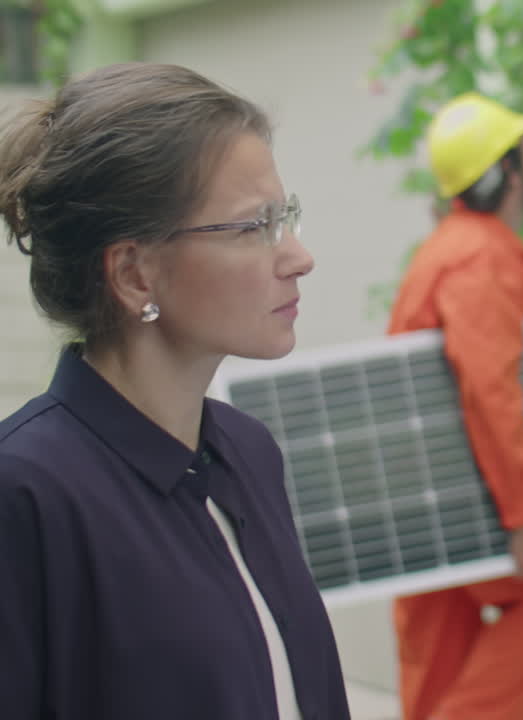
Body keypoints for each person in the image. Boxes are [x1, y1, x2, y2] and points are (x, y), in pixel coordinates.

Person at [0, 63, 350, 720]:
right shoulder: (25, 493)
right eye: (254, 227)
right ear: (134, 273)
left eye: (287, 216)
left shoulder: (248, 453)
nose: (298, 256)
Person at [387, 92, 523, 720]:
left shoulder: (456, 246)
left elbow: (512, 330)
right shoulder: (481, 257)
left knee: (438, 670)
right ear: (504, 171)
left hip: (422, 496)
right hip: (455, 498)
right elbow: (489, 387)